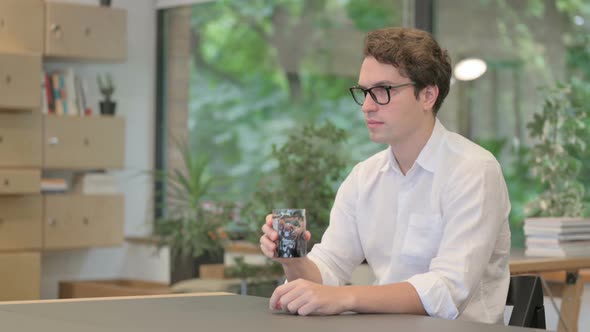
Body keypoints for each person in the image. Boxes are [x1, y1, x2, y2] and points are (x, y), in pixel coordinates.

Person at [259, 27, 510, 323]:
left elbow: (447, 291)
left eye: (382, 91)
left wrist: (344, 297)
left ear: (427, 95)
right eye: (364, 92)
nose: (367, 106)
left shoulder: (474, 171)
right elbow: (329, 267)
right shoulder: (363, 177)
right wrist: (295, 260)